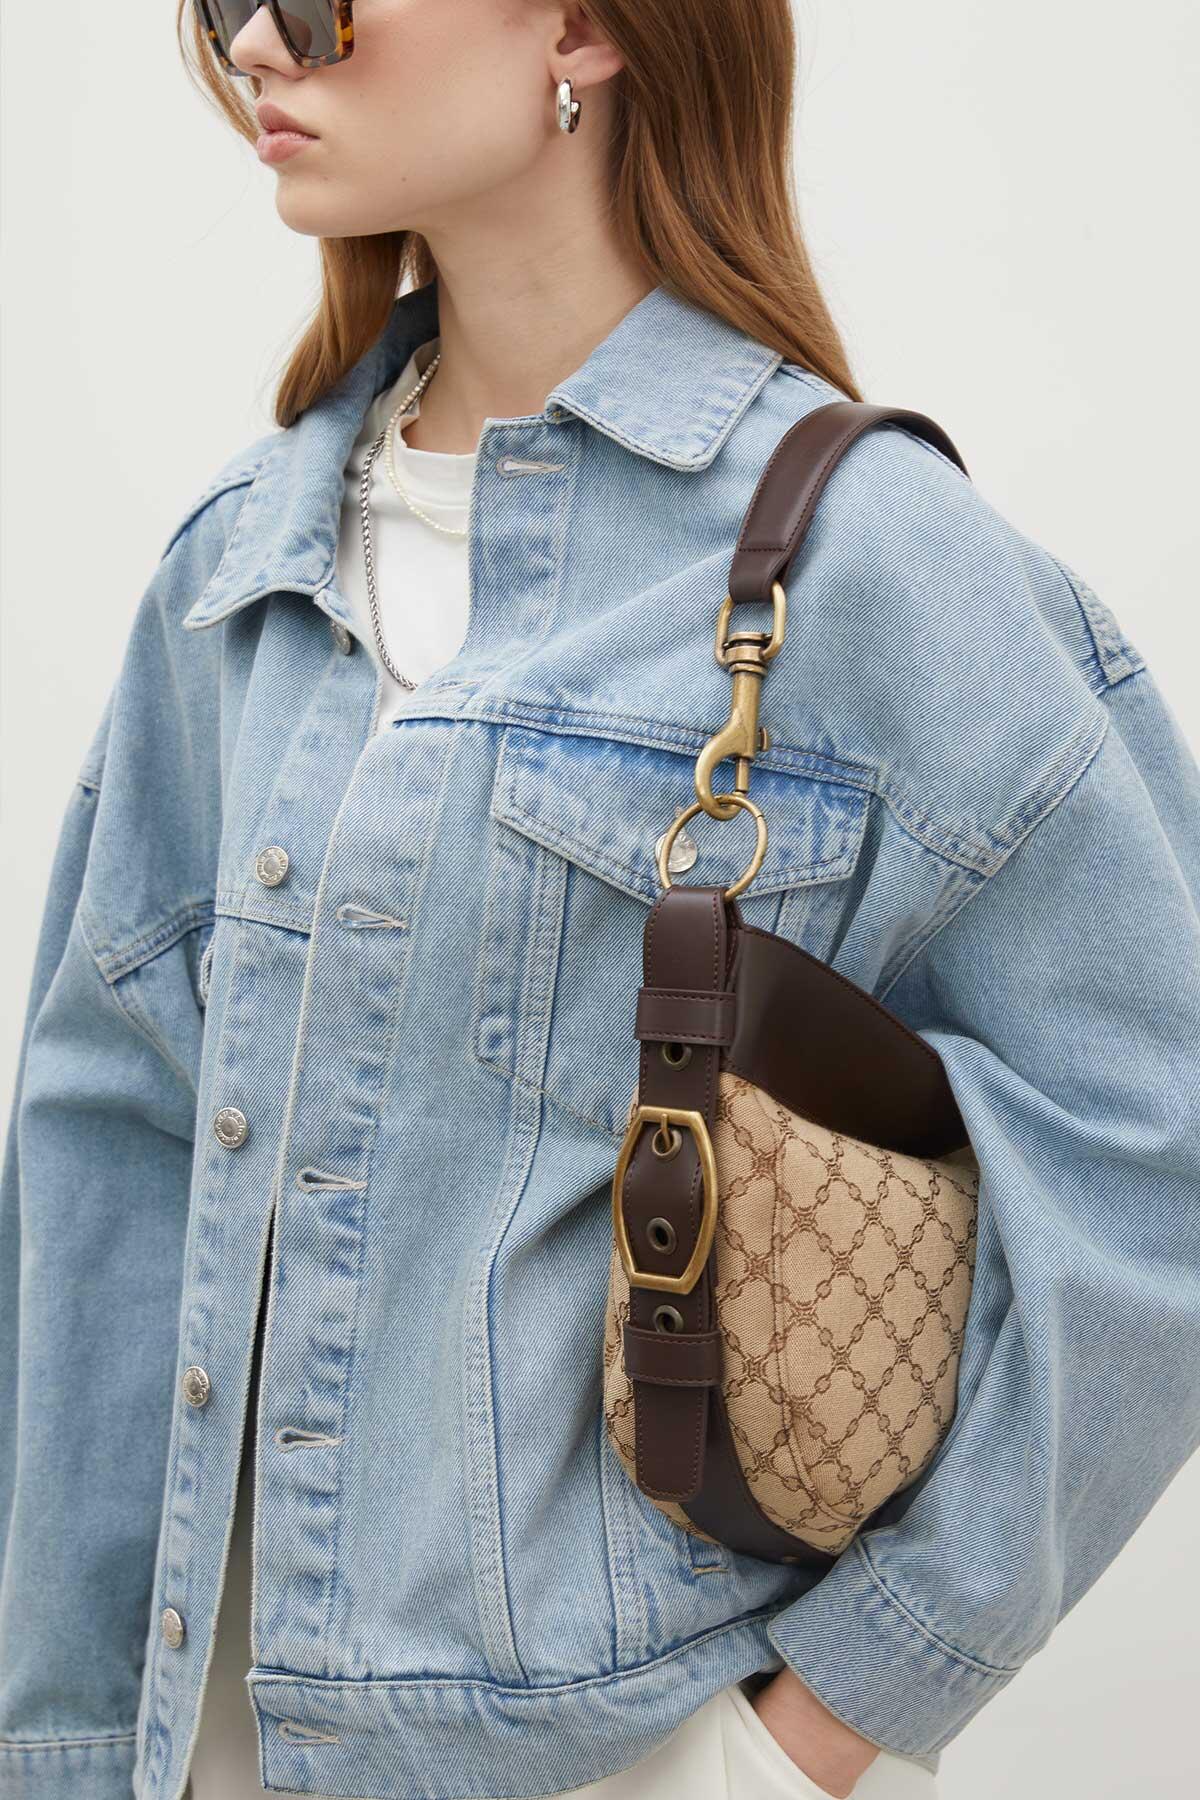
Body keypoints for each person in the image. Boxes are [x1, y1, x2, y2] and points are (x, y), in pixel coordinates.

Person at [3, 2, 1199, 1799]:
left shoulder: (870, 562)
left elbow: (1161, 1155)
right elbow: (101, 1171)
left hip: (600, 1747)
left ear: (581, 26)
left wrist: (814, 1733)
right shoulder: (237, 568)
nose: (257, 43)